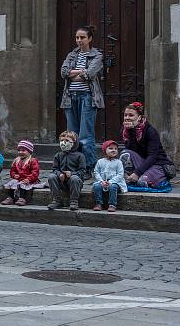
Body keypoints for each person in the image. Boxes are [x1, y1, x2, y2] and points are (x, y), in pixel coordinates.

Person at [59, 25, 103, 170]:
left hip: (88, 98)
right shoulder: (71, 55)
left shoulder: (97, 55)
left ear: (89, 38)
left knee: (85, 136)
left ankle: (89, 167)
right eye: (77, 37)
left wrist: (74, 75)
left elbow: (89, 74)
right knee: (71, 135)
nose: (79, 40)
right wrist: (80, 72)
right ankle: (74, 166)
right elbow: (63, 73)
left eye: (83, 37)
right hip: (70, 97)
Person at [120, 102, 175, 188]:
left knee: (142, 182)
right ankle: (131, 177)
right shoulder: (126, 131)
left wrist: (138, 173)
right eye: (125, 115)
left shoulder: (150, 131)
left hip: (157, 163)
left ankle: (158, 176)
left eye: (131, 115)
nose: (127, 118)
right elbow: (132, 150)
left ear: (139, 117)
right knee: (126, 153)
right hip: (143, 161)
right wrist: (131, 132)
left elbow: (153, 156)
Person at [47, 130, 88, 211]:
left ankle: (74, 201)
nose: (63, 142)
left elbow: (83, 171)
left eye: (67, 141)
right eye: (62, 140)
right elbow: (55, 169)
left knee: (74, 178)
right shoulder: (58, 155)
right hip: (62, 182)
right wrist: (59, 174)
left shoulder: (80, 156)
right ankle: (57, 200)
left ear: (74, 143)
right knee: (51, 177)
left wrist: (72, 173)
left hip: (75, 183)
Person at [0, 140, 40, 206]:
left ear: (29, 152)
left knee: (23, 185)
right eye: (19, 150)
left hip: (29, 180)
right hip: (19, 179)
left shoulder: (32, 161)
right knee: (11, 184)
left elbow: (35, 172)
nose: (20, 152)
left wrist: (29, 179)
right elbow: (12, 170)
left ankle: (22, 198)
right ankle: (10, 198)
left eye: (23, 150)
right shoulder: (17, 160)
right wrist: (14, 175)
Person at [93, 140, 127, 212]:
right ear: (105, 150)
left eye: (115, 149)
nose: (113, 150)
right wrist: (101, 181)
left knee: (113, 186)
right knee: (97, 186)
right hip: (102, 182)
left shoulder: (118, 162)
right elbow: (96, 172)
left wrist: (111, 182)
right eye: (111, 148)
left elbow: (120, 174)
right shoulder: (100, 161)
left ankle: (112, 204)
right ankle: (98, 203)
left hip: (116, 182)